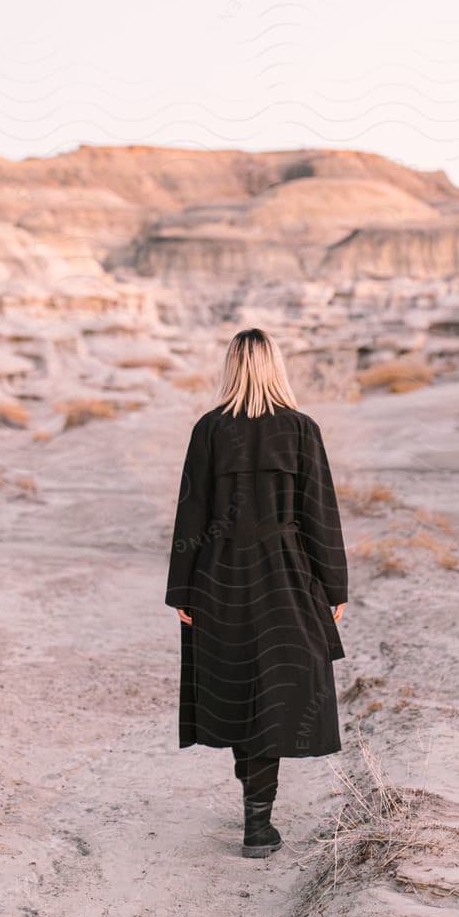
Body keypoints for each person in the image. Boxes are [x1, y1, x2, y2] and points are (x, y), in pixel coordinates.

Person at [166, 328, 349, 858]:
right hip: (287, 576)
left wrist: (182, 588)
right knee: (272, 693)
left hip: (218, 577)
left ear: (232, 367)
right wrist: (334, 585)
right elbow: (321, 515)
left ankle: (257, 820)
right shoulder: (301, 429)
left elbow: (190, 512)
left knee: (241, 689)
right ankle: (257, 825)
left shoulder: (209, 429)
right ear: (276, 367)